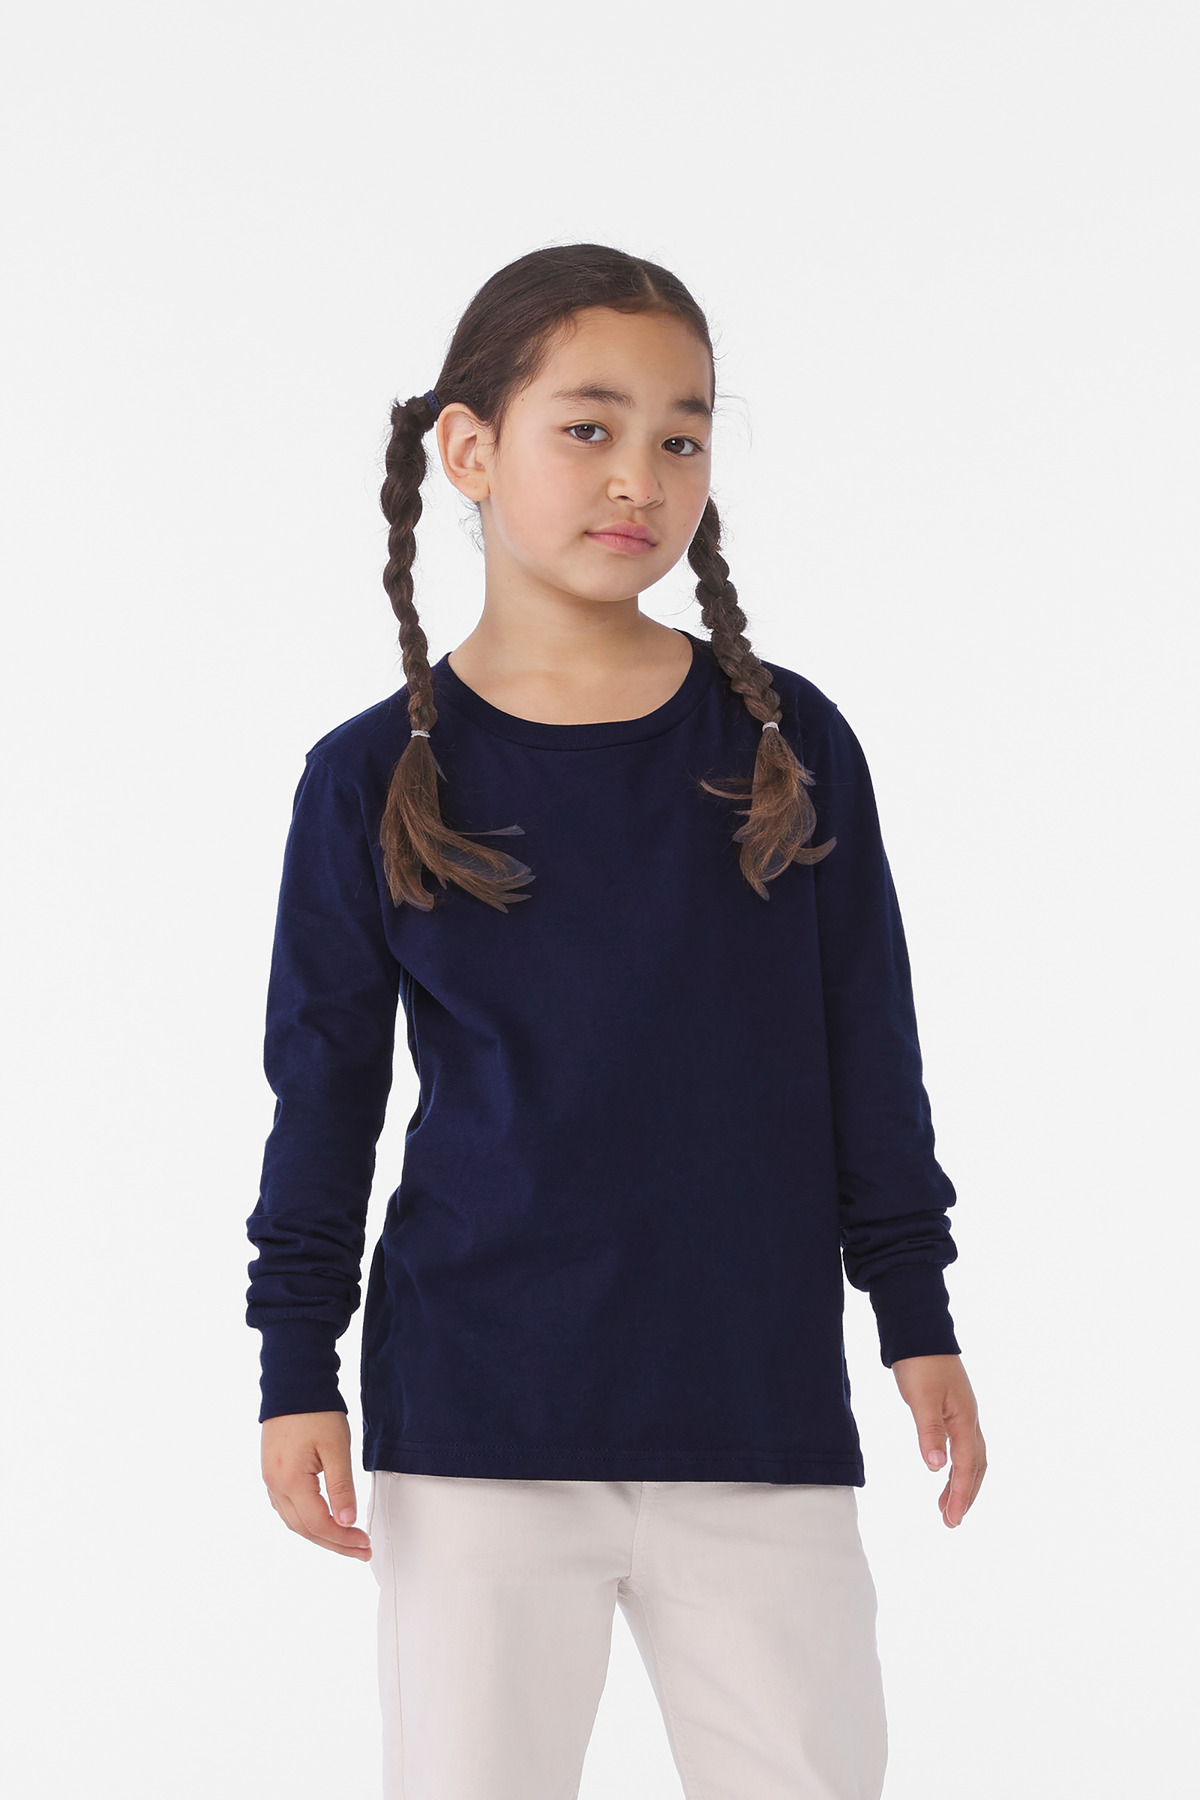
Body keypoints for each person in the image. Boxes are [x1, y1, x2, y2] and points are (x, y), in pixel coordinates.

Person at [245, 242, 986, 1800]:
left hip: (755, 1409)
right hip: (478, 1419)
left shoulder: (789, 743)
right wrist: (296, 1361)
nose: (640, 476)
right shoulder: (369, 777)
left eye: (682, 435)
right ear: (469, 448)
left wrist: (915, 1314)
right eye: (588, 427)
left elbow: (870, 1048)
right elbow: (324, 1094)